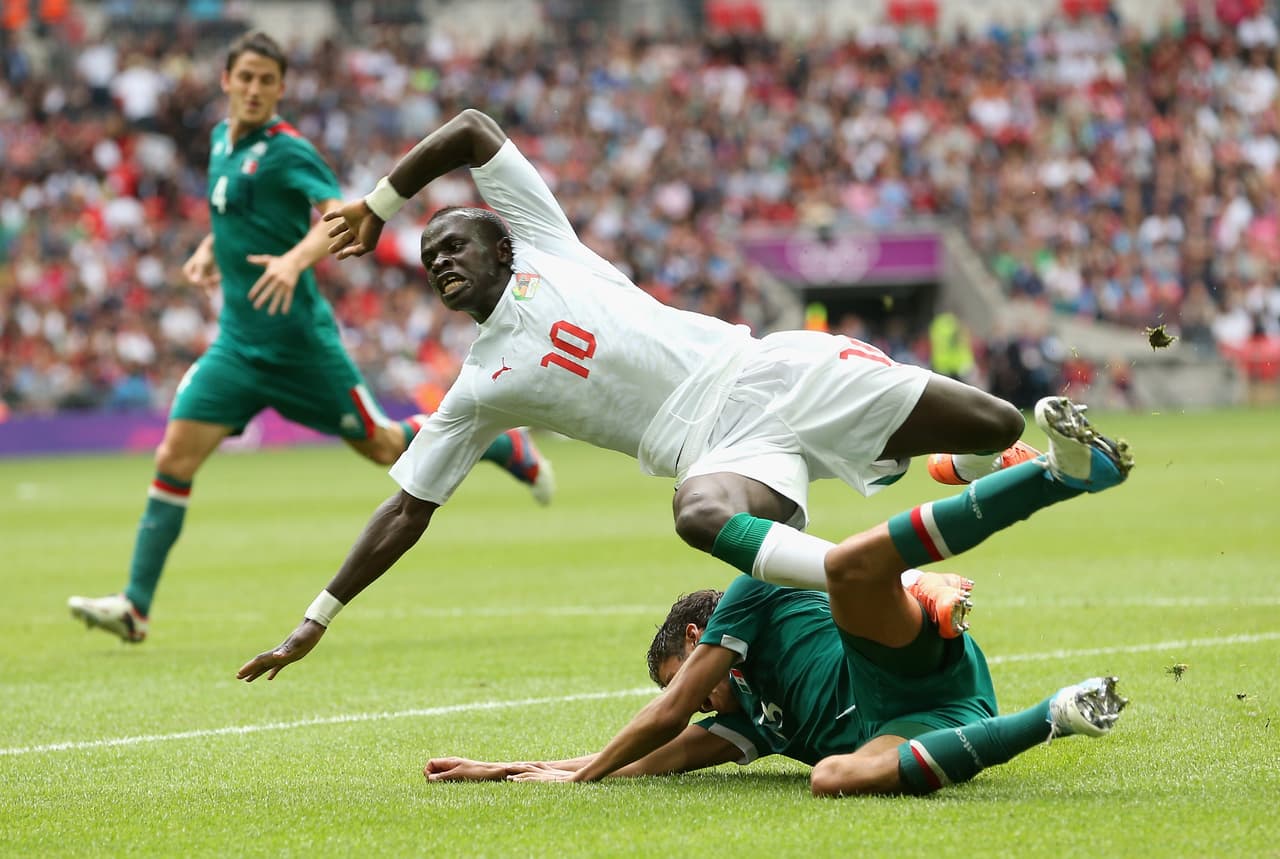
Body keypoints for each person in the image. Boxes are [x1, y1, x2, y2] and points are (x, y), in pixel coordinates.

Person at [235, 109, 1130, 682]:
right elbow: (406, 508)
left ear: (500, 245)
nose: (438, 262)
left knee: (997, 419)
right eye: (429, 260)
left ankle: (968, 459)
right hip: (723, 453)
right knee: (696, 512)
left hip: (764, 373)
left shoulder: (548, 243)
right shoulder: (476, 389)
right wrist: (315, 620)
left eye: (453, 245)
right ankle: (874, 573)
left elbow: (471, 129)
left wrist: (383, 204)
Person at [67, 37, 553, 645]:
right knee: (173, 459)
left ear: (279, 88)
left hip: (300, 348)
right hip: (236, 348)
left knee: (381, 446)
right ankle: (135, 607)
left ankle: (500, 447)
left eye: (266, 80)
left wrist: (295, 261)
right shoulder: (222, 142)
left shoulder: (287, 151)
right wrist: (207, 251)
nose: (253, 88)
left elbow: (337, 217)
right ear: (225, 79)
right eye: (244, 76)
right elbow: (232, 215)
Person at [423, 406, 1132, 795]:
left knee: (853, 566)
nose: (699, 703)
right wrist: (514, 770)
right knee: (832, 777)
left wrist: (581, 780)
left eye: (691, 679)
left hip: (901, 661)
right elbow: (648, 760)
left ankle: (1057, 474)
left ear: (702, 635)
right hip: (930, 718)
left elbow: (665, 715)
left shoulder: (750, 594)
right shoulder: (757, 722)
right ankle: (1055, 715)